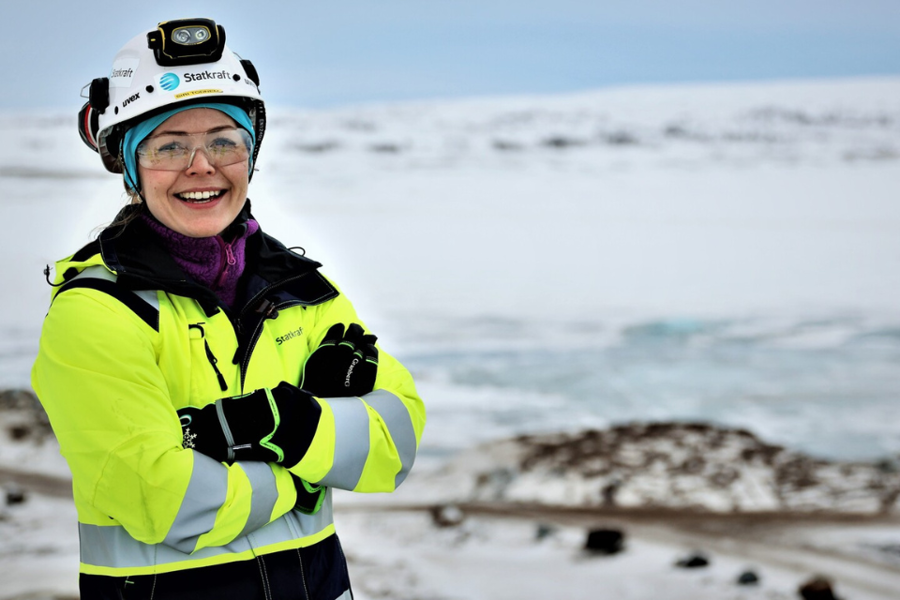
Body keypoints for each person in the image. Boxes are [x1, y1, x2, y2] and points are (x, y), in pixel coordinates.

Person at [31, 18, 425, 600]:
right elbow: (167, 502)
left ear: (251, 152)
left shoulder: (302, 291)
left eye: (224, 140)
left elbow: (395, 443)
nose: (201, 166)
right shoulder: (98, 312)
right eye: (168, 146)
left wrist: (285, 424)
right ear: (131, 166)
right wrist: (309, 463)